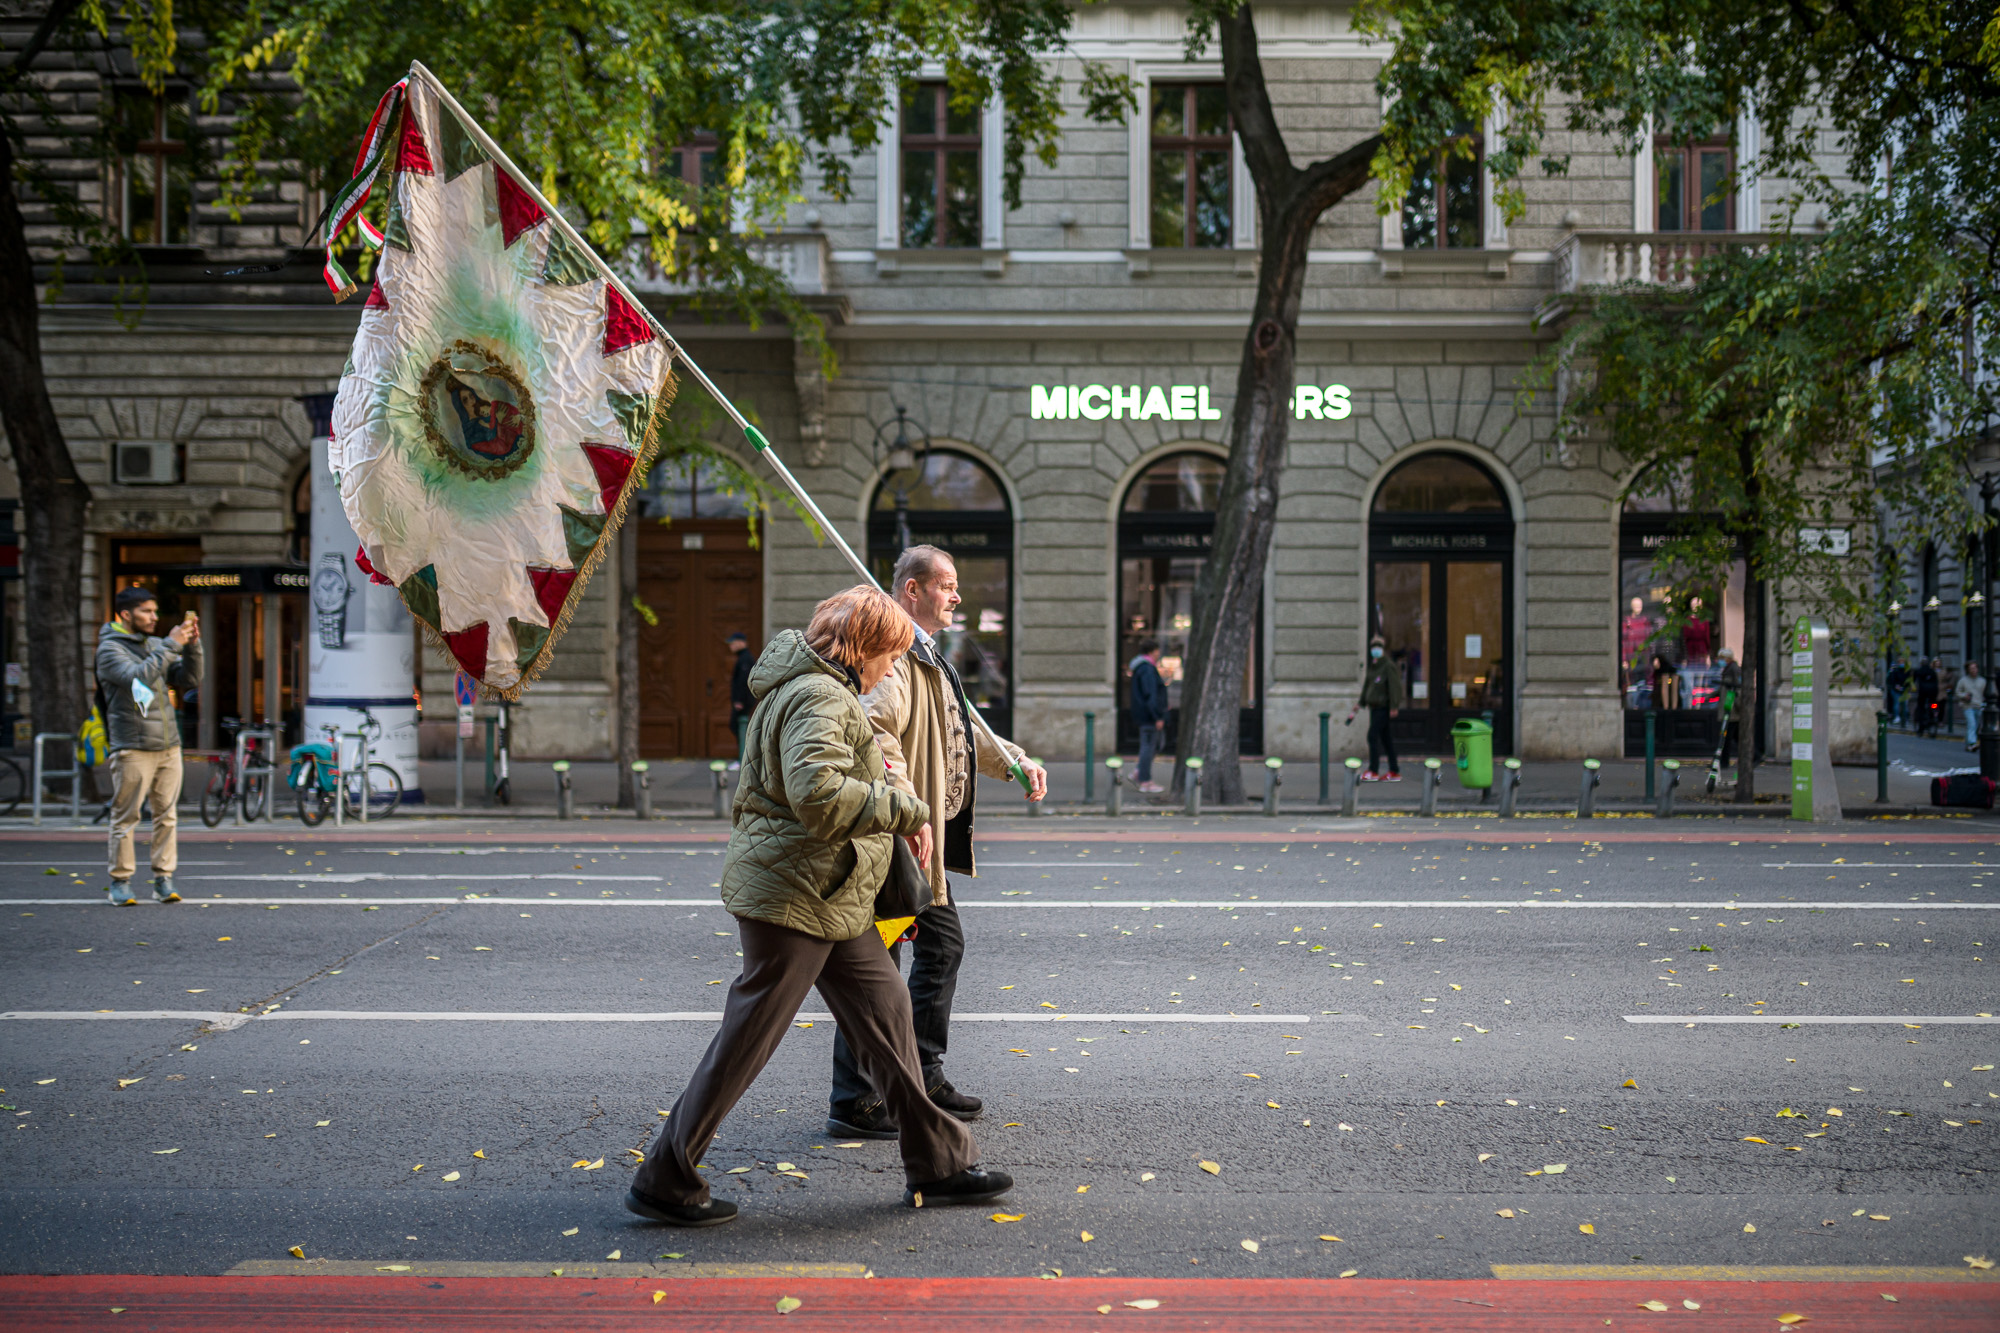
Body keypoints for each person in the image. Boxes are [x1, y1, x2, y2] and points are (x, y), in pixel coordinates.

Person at [626, 586, 1012, 1228]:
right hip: (796, 894)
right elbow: (818, 793)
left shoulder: (813, 687)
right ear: (864, 648)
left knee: (888, 1017)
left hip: (828, 891)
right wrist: (906, 808)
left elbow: (828, 778)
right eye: (891, 654)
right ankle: (666, 1178)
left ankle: (939, 1165)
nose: (893, 667)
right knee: (747, 1040)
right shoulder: (819, 695)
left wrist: (889, 794)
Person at [828, 545, 1047, 1139]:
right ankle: (855, 1098)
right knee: (883, 965)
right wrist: (907, 809)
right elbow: (875, 732)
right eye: (946, 585)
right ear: (913, 590)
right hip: (899, 845)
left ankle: (920, 1072)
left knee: (933, 951)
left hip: (923, 850)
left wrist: (1015, 760)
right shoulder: (896, 655)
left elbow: (961, 726)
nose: (957, 595)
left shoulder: (927, 654)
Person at [96, 586, 202, 906]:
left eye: (155, 611)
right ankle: (120, 881)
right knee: (126, 817)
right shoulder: (109, 650)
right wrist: (172, 644)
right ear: (126, 614)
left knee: (166, 816)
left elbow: (189, 679)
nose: (154, 617)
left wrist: (193, 647)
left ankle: (163, 879)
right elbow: (138, 678)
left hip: (168, 746)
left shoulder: (156, 645)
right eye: (147, 611)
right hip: (132, 746)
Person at [1357, 634, 1404, 782]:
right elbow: (1368, 686)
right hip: (1374, 707)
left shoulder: (1388, 665)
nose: (1375, 649)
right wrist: (1361, 703)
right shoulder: (1374, 666)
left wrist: (1394, 706)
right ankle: (1394, 770)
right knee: (1386, 739)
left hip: (1383, 707)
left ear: (1383, 649)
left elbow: (1394, 687)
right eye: (1373, 647)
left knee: (1372, 736)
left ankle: (1373, 770)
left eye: (1378, 646)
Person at [1128, 639, 1168, 793]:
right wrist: (1157, 716)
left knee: (1152, 745)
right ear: (1152, 652)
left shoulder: (1141, 668)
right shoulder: (1147, 669)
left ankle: (1139, 773)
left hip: (1145, 714)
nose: (1159, 654)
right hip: (1149, 716)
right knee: (1149, 747)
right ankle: (1145, 781)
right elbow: (1150, 694)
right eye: (1157, 651)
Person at [725, 631, 755, 771]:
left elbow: (744, 682)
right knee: (738, 726)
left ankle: (743, 759)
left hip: (743, 702)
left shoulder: (745, 659)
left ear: (740, 643)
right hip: (742, 701)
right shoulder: (743, 658)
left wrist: (739, 700)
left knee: (738, 727)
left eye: (733, 643)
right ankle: (743, 758)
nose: (730, 646)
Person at [1958, 660, 1989, 751]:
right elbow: (1958, 692)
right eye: (1971, 668)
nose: (1973, 670)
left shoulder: (1982, 681)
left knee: (1975, 726)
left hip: (1979, 705)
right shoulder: (1963, 680)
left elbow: (1986, 693)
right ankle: (1972, 743)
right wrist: (1964, 696)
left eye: (1975, 668)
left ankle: (1969, 744)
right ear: (1968, 670)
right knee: (1971, 724)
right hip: (1968, 706)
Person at [1914, 657, 1940, 737]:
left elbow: (1914, 681)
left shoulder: (1919, 671)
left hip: (1922, 693)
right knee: (1933, 704)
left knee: (1921, 708)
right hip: (1933, 692)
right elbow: (1936, 682)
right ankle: (1933, 715)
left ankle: (1921, 729)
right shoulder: (1932, 671)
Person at [1886, 659, 1910, 727]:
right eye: (1900, 662)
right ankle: (1897, 717)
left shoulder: (1906, 671)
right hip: (1896, 690)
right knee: (1896, 704)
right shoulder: (1895, 670)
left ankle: (1904, 718)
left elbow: (1908, 680)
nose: (1901, 663)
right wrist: (1896, 686)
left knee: (1905, 705)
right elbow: (1891, 680)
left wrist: (1905, 687)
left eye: (1903, 662)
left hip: (1904, 690)